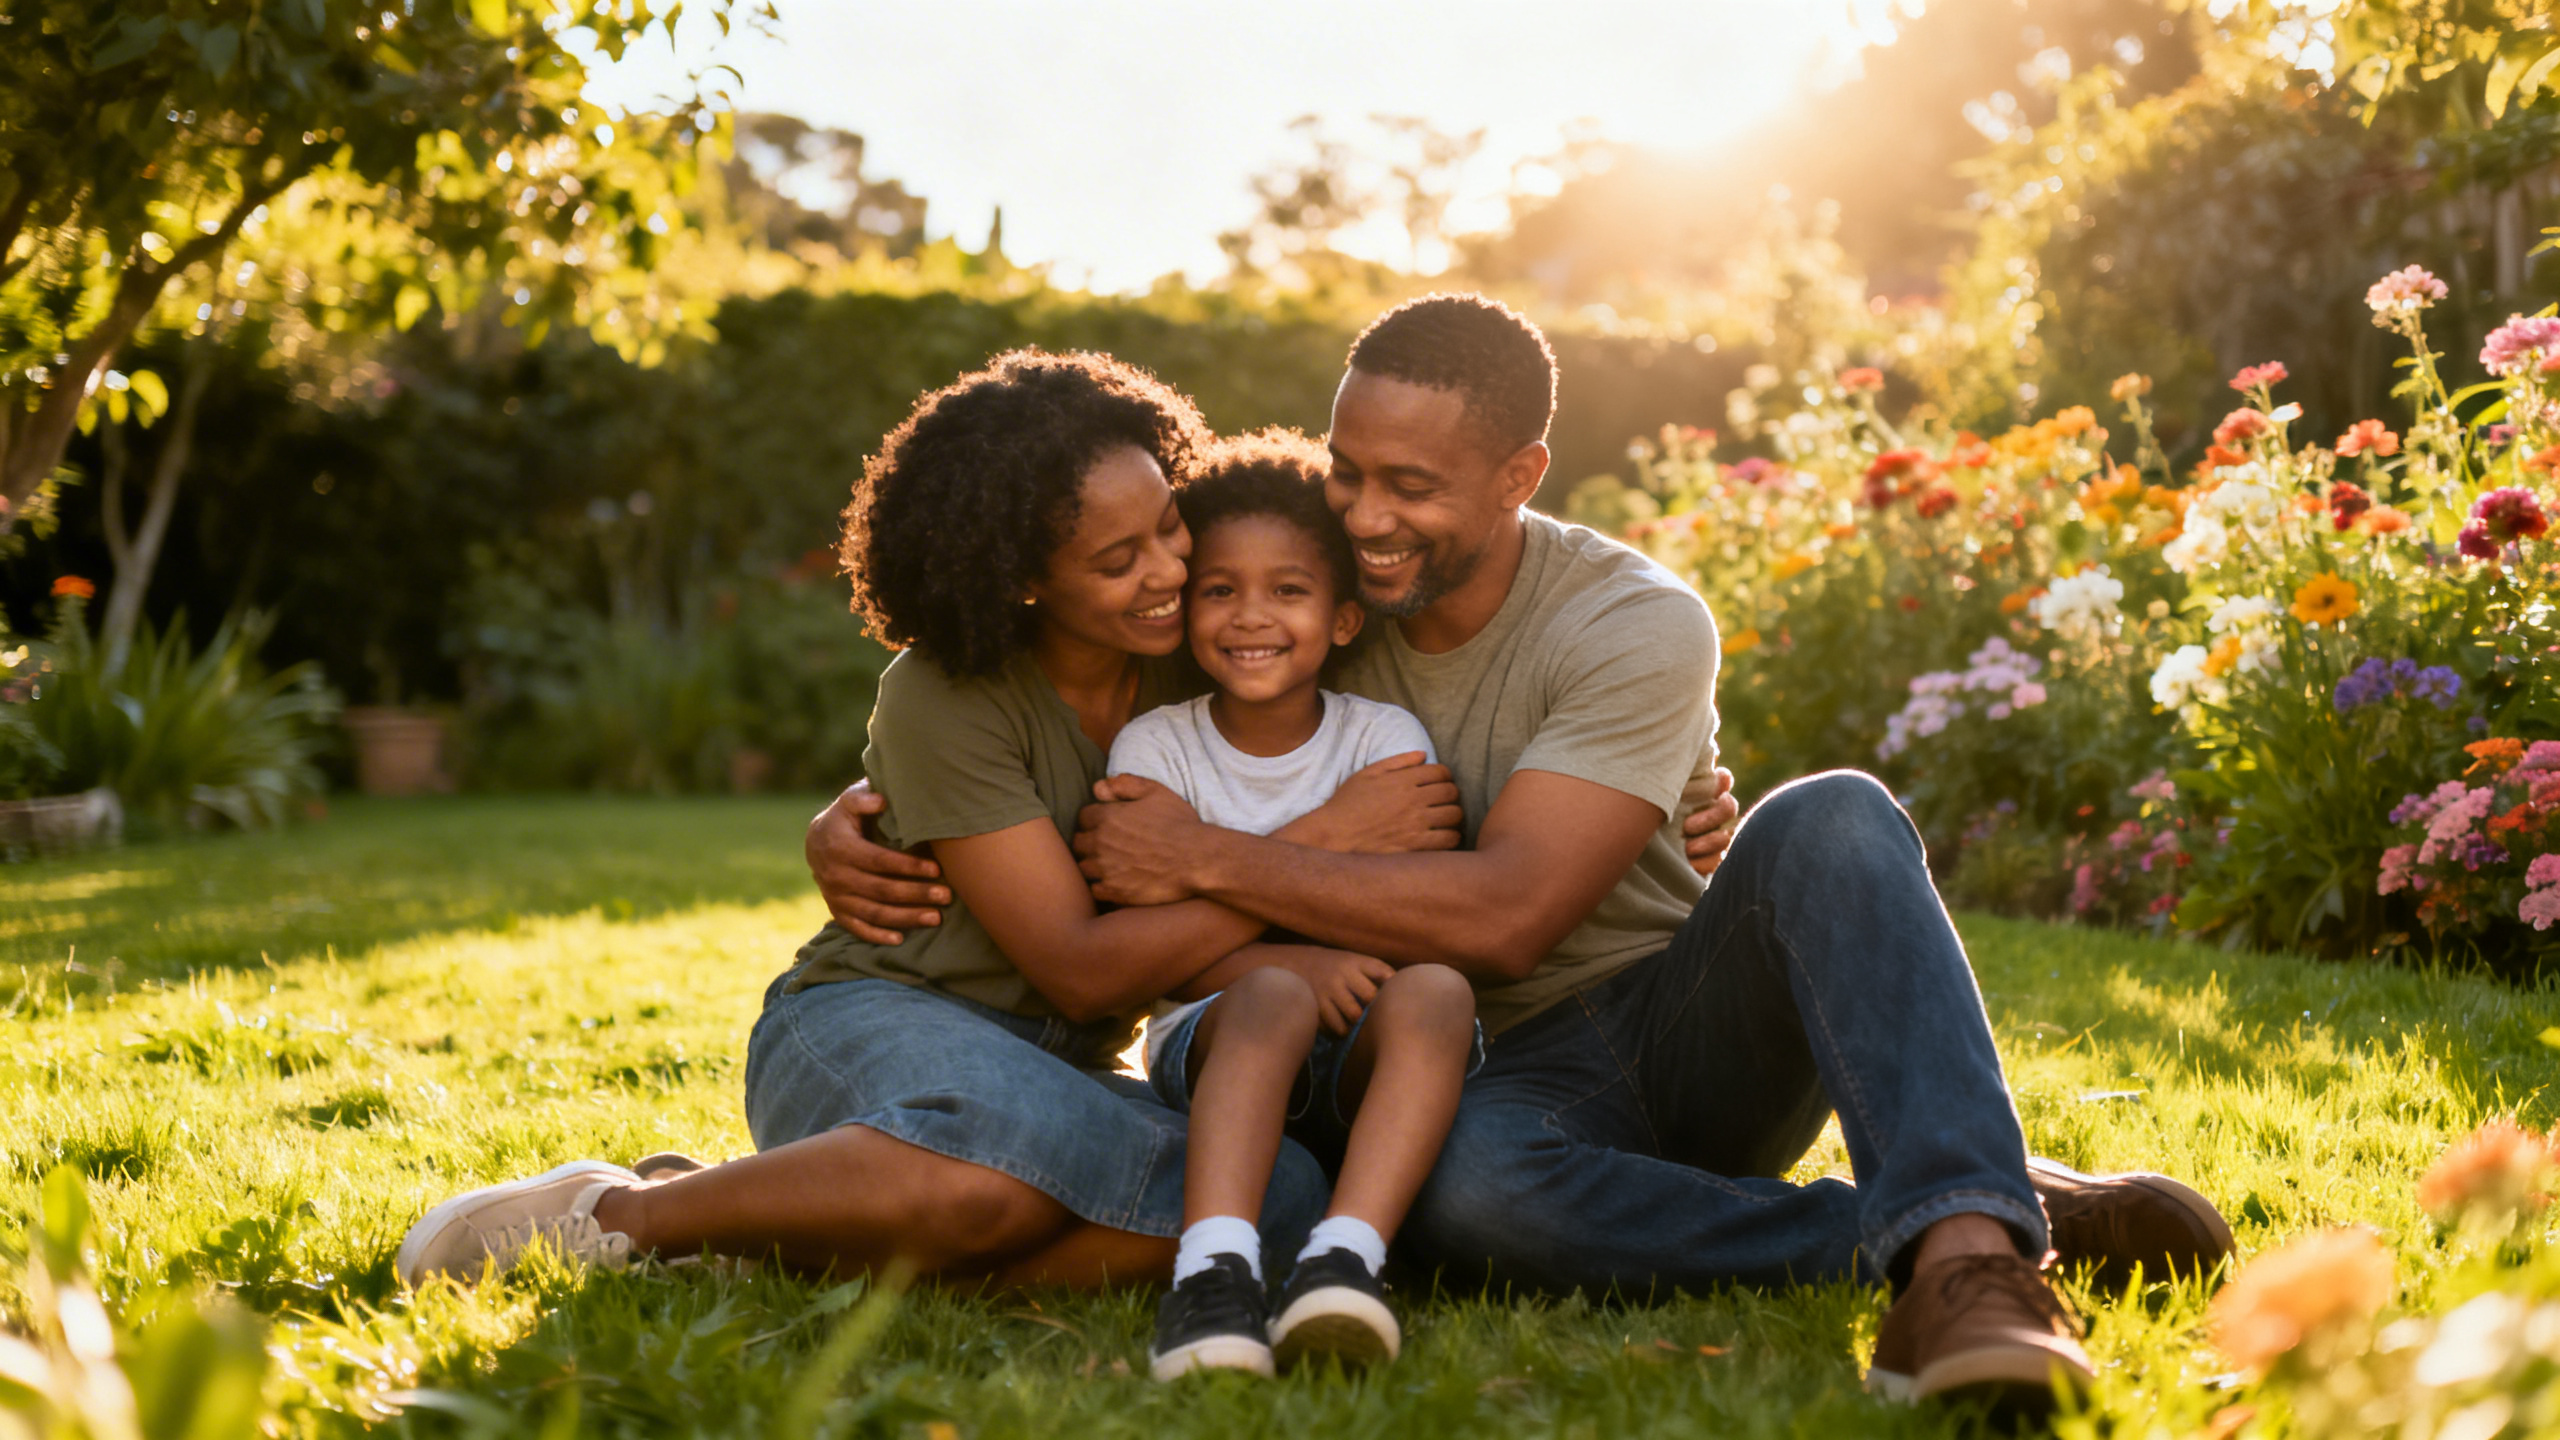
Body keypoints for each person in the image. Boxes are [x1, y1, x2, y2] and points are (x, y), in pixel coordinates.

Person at [812, 295, 2236, 1416]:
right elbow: (1068, 684)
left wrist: (1207, 855)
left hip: (1669, 1023)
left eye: (1412, 488)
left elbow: (1505, 917)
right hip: (1467, 1084)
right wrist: (854, 813)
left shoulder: (1628, 620)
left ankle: (1975, 1277)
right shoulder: (1296, 607)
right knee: (1467, 1202)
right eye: (1347, 473)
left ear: (1521, 474)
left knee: (1836, 813)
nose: (1366, 517)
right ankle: (1964, 1207)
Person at [396, 350, 1462, 1292]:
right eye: (1116, 560)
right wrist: (1318, 843)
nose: (1171, 573)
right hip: (878, 1019)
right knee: (991, 1176)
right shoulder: (945, 693)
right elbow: (1083, 973)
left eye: (1169, 525)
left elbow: (1294, 557)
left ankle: (799, 1238)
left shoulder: (1204, 645)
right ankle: (622, 1215)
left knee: (1273, 1198)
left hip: (1066, 1066)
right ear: (1024, 579)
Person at [1110, 431, 1479, 1379]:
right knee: (1273, 993)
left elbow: (1406, 915)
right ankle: (1213, 1276)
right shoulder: (1158, 749)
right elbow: (1142, 947)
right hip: (1212, 1037)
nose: (1250, 616)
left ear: (1345, 620)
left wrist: (1213, 872)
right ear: (1187, 608)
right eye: (1220, 589)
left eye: (1289, 590)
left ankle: (1344, 1262)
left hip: (1360, 1040)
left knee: (1436, 988)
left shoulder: (1383, 739)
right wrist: (1300, 958)